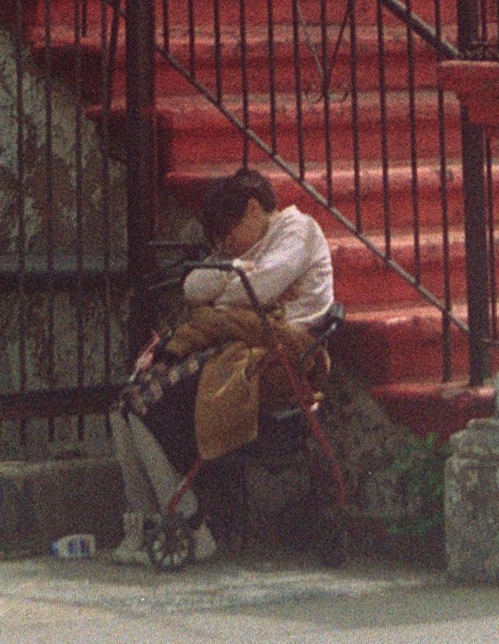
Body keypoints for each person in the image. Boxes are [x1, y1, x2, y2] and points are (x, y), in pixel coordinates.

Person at [110, 170, 337, 563]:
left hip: (276, 354)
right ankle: (147, 521)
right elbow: (193, 286)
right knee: (122, 406)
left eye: (229, 232)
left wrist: (234, 290)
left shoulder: (298, 231)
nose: (226, 244)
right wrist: (239, 273)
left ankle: (190, 523)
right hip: (241, 340)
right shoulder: (248, 250)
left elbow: (256, 291)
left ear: (253, 209)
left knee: (144, 405)